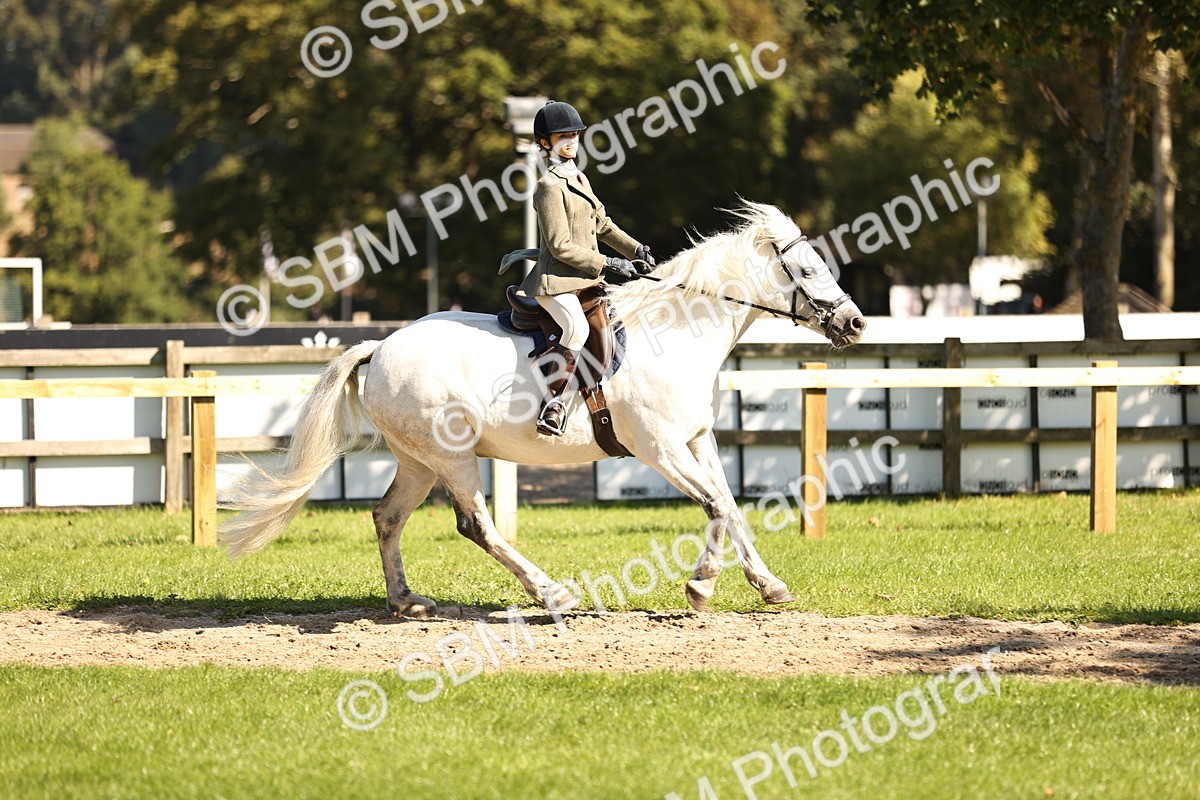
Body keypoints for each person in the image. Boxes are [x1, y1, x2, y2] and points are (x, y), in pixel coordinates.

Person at [516, 100, 655, 436]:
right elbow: (560, 246)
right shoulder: (548, 187)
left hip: (585, 280)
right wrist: (610, 262)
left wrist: (635, 249)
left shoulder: (579, 177)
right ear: (545, 142)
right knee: (576, 329)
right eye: (563, 136)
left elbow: (602, 225)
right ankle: (554, 405)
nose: (571, 141)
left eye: (575, 135)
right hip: (556, 282)